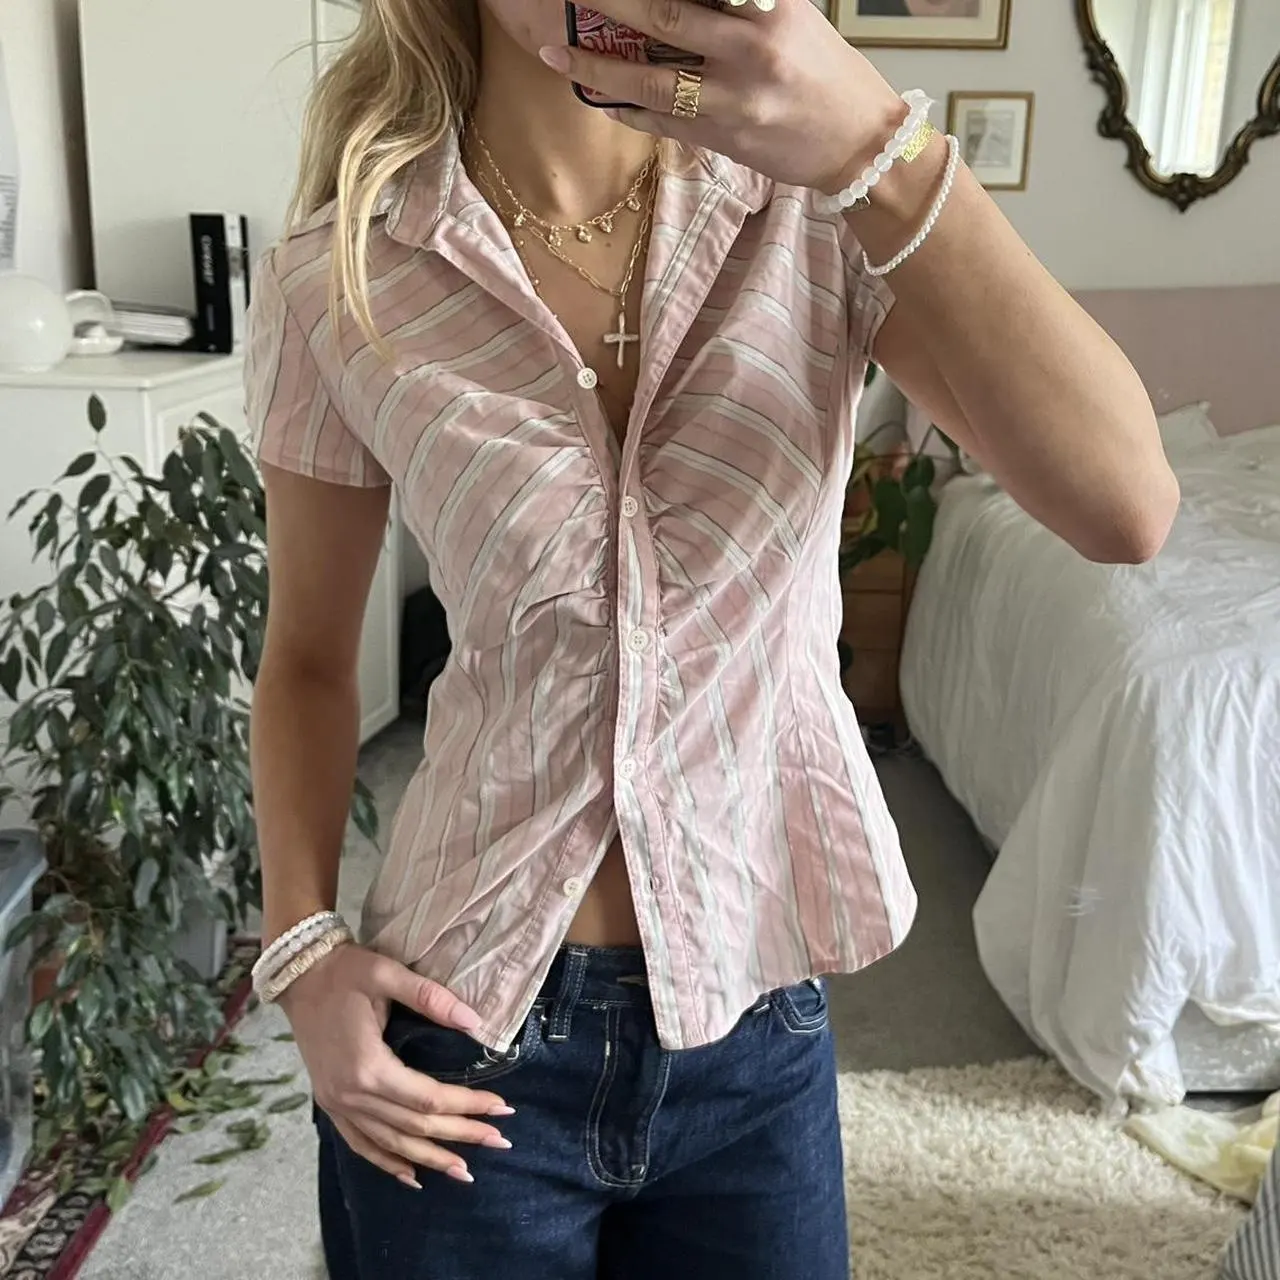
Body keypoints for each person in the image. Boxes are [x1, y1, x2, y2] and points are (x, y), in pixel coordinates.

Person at [245, 2, 1179, 1277]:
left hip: (751, 1017)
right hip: (460, 1028)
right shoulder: (341, 271)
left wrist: (873, 143)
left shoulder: (819, 209)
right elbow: (306, 658)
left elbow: (1124, 506)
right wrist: (299, 950)